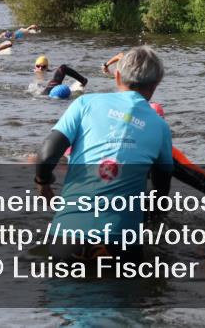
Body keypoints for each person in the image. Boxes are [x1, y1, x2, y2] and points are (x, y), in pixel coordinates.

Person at [34, 46, 173, 271]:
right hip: (122, 245)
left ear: (117, 76)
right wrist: (152, 222)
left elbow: (47, 154)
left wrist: (42, 184)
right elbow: (161, 190)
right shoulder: (160, 127)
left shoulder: (85, 104)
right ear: (156, 84)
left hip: (67, 240)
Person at [101, 51, 205, 193]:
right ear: (154, 86)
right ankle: (159, 210)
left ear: (117, 78)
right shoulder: (158, 131)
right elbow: (180, 164)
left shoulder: (90, 109)